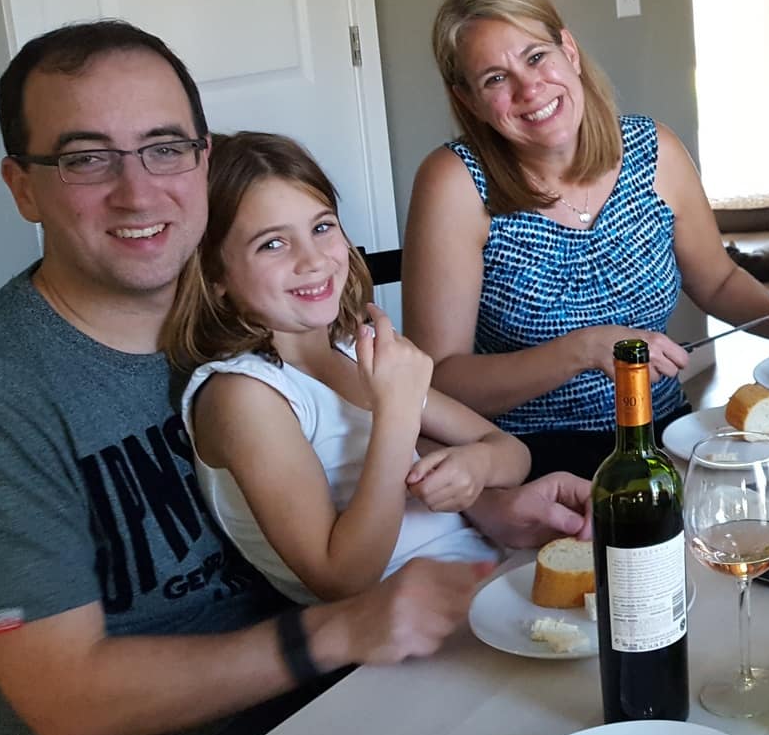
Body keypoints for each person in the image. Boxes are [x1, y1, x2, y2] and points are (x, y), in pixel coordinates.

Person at [0, 20, 592, 735]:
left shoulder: (263, 330)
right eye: (85, 158)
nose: (137, 191)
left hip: (344, 680)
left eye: (165, 147)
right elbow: (63, 702)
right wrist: (342, 630)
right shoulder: (5, 391)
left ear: (203, 160)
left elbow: (367, 462)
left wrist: (486, 500)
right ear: (23, 186)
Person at [405, 0, 769, 478]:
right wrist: (585, 349)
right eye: (495, 79)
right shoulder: (454, 183)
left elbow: (717, 280)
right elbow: (440, 379)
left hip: (661, 435)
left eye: (536, 56)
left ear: (569, 50)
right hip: (523, 459)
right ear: (468, 101)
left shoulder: (656, 152)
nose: (529, 88)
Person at [165, 132, 526, 604]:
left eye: (322, 227)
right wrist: (396, 417)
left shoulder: (356, 351)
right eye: (272, 244)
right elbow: (341, 577)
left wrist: (475, 466)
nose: (313, 260)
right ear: (216, 276)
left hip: (487, 575)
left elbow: (511, 452)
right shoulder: (244, 395)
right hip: (401, 623)